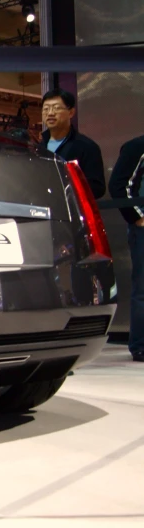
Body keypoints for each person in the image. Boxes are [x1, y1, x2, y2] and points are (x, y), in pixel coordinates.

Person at [108, 135, 144, 362]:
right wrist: (138, 219)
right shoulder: (137, 146)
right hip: (142, 230)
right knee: (143, 290)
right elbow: (118, 185)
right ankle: (141, 345)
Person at [38, 88, 106, 199]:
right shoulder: (38, 147)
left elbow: (97, 188)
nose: (50, 113)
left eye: (56, 108)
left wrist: (66, 190)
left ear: (71, 112)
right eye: (45, 109)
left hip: (70, 212)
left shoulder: (87, 147)